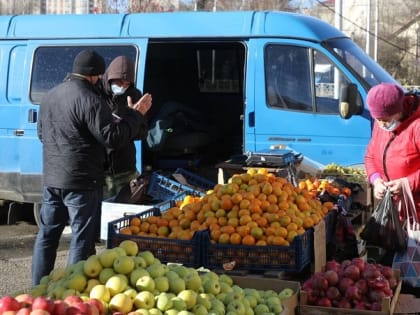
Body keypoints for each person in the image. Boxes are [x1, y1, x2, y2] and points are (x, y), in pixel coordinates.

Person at [32, 50, 149, 286]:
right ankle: (71, 291)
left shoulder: (49, 96)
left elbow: (42, 134)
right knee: (81, 238)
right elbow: (112, 138)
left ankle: (38, 287)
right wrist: (135, 115)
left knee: (47, 235)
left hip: (52, 179)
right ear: (95, 75)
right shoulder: (90, 99)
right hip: (82, 181)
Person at [364, 82, 420, 294]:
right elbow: (370, 156)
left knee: (411, 282)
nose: (380, 124)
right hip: (396, 214)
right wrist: (376, 179)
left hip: (416, 213)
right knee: (392, 273)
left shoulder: (417, 126)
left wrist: (408, 183)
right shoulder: (381, 126)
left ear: (399, 111)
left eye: (384, 119)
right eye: (377, 119)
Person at [99, 55, 152, 200]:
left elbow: (142, 133)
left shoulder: (134, 95)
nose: (122, 86)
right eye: (119, 82)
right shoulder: (96, 95)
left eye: (127, 83)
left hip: (126, 168)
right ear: (109, 78)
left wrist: (133, 117)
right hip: (100, 171)